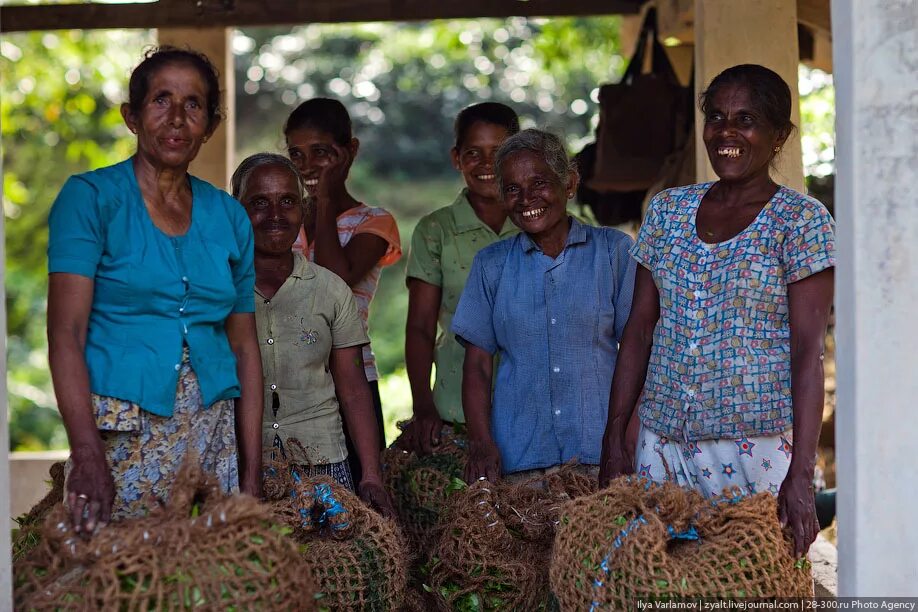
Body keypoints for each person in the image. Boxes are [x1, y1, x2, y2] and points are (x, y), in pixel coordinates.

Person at [598, 64, 835, 558]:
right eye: (716, 117)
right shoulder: (667, 211)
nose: (726, 132)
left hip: (756, 452)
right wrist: (615, 435)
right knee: (661, 585)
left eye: (746, 119)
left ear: (779, 136)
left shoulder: (800, 221)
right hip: (663, 445)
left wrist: (801, 476)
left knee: (750, 586)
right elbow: (639, 330)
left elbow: (807, 354)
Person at [47, 47, 263, 533]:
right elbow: (66, 334)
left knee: (211, 591)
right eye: (161, 100)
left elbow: (244, 346)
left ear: (209, 125)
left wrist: (250, 474)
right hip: (119, 436)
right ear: (132, 115)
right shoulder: (90, 199)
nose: (177, 118)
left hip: (212, 439)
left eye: (193, 105)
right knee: (119, 584)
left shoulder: (229, 216)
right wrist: (85, 454)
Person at [451, 129, 636, 483]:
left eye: (539, 183)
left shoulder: (614, 252)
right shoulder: (491, 265)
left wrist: (624, 440)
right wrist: (481, 443)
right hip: (519, 460)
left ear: (569, 184)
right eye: (512, 189)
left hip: (600, 456)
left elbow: (638, 352)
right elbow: (477, 367)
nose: (526, 198)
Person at [231, 153, 394, 516]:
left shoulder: (331, 290)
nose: (274, 215)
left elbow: (353, 388)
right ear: (236, 210)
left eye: (287, 201)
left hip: (322, 464)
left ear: (303, 210)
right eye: (259, 202)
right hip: (241, 465)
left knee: (330, 569)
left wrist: (370, 475)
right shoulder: (221, 290)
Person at [284, 98, 401, 483]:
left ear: (349, 151)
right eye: (296, 155)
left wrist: (325, 200)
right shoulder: (281, 222)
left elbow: (335, 278)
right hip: (290, 375)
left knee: (357, 489)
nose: (307, 166)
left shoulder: (375, 222)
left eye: (321, 153)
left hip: (351, 378)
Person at [401, 102, 520, 454]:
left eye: (498, 153)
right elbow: (421, 327)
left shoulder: (538, 223)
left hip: (531, 407)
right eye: (473, 153)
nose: (486, 165)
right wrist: (423, 407)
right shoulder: (435, 230)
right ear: (456, 158)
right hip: (455, 409)